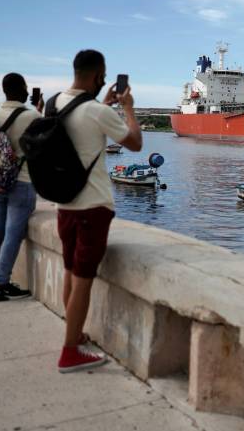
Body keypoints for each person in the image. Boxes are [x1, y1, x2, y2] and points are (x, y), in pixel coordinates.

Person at [55, 50, 141, 373]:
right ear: (98, 75)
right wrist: (128, 110)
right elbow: (134, 142)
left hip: (65, 205)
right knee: (83, 281)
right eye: (103, 75)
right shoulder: (96, 111)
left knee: (69, 272)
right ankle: (69, 352)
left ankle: (73, 334)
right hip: (92, 208)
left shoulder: (55, 103)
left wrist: (103, 105)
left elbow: (82, 127)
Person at [0, 73, 42, 302]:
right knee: (13, 233)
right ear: (22, 89)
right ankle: (1, 284)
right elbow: (39, 147)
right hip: (22, 179)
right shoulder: (32, 115)